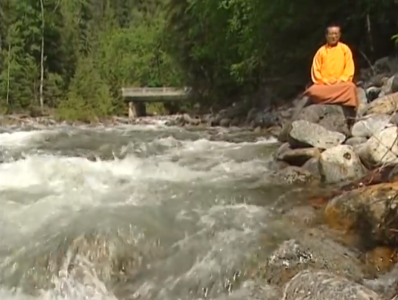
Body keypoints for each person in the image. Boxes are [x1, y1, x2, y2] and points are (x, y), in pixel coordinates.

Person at [303, 24, 359, 109]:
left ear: (339, 35)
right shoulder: (321, 52)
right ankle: (338, 98)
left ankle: (325, 99)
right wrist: (324, 81)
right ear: (326, 36)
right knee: (312, 90)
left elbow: (349, 68)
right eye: (331, 34)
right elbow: (315, 71)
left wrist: (342, 80)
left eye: (336, 34)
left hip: (340, 84)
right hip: (324, 85)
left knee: (351, 87)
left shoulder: (345, 49)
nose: (333, 36)